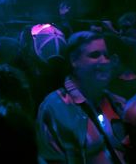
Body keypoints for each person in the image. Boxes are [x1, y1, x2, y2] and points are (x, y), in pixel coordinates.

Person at [37, 30, 127, 164]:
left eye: (106, 55)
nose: (105, 61)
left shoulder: (116, 101)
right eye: (95, 55)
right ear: (74, 60)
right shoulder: (55, 106)